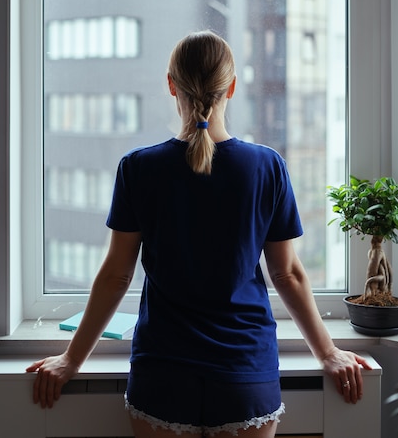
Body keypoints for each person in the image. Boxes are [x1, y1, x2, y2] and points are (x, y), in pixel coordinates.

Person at [27, 30, 372, 438]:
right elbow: (288, 274)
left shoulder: (138, 168)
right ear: (232, 87)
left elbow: (116, 275)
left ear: (171, 84)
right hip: (245, 373)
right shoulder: (267, 167)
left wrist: (71, 360)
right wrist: (328, 353)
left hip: (163, 372)